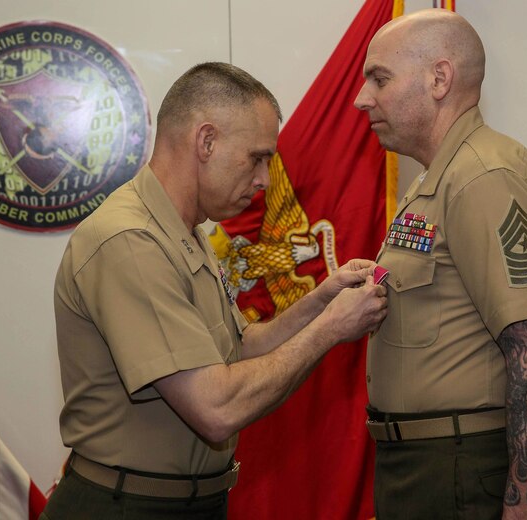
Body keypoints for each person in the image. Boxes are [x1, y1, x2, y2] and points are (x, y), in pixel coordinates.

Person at [42, 62, 387, 520]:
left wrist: (319, 301)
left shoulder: (186, 231)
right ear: (206, 142)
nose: (265, 179)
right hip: (129, 507)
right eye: (257, 157)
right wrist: (330, 328)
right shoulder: (131, 241)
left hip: (185, 501)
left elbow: (241, 347)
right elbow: (215, 407)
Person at [354, 9, 527, 520]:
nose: (362, 98)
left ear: (439, 79)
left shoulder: (481, 179)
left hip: (460, 471)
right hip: (429, 467)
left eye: (379, 78)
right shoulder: (442, 177)